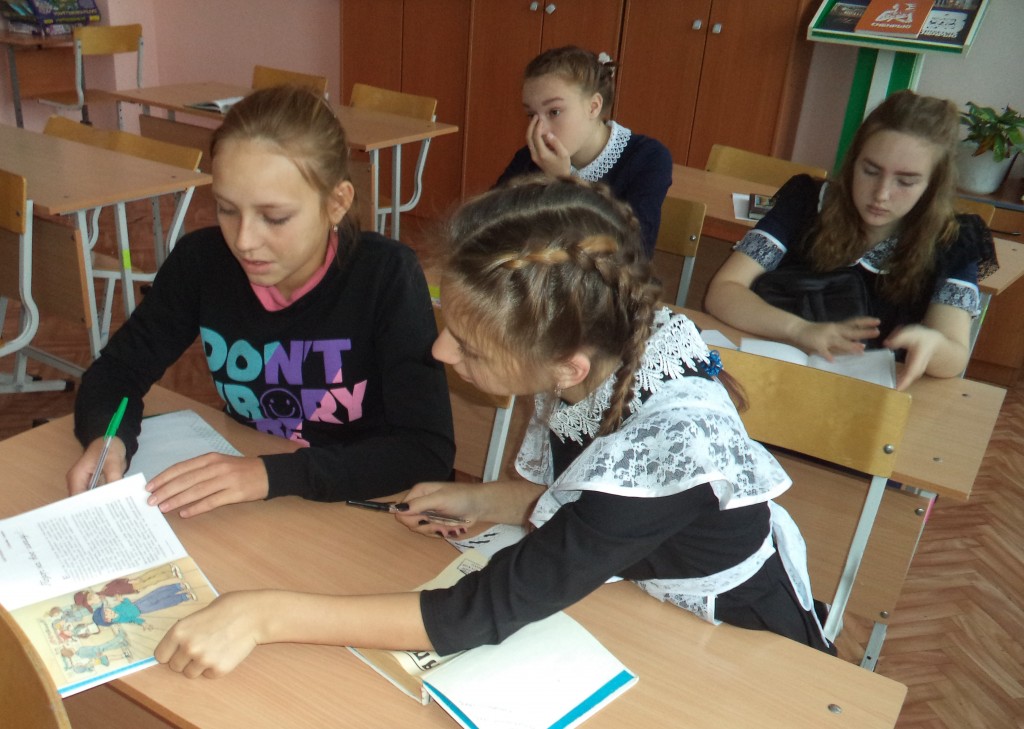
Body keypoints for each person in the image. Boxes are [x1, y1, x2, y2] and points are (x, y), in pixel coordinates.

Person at [153, 176, 831, 681]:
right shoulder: (593, 348)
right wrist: (486, 499)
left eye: (469, 347)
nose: (440, 351)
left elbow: (480, 610)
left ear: (565, 367)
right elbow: (585, 493)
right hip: (630, 600)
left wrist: (264, 614)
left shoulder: (669, 446)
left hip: (738, 641)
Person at [67, 85, 454, 517]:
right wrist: (108, 437)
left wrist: (269, 475)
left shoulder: (385, 276)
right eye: (227, 209)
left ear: (337, 203)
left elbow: (425, 451)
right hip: (253, 502)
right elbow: (118, 372)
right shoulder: (202, 262)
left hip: (357, 504)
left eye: (274, 217)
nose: (244, 241)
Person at [705, 90, 998, 391]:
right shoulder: (806, 201)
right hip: (771, 373)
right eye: (870, 171)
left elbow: (954, 355)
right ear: (853, 161)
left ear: (933, 184)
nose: (881, 194)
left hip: (868, 393)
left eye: (905, 181)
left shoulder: (954, 239)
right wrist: (800, 330)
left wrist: (933, 345)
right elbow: (723, 291)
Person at [495, 45, 672, 257]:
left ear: (593, 107)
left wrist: (562, 184)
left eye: (554, 112)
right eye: (531, 115)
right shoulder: (530, 158)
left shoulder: (648, 157)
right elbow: (485, 223)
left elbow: (634, 252)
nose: (539, 130)